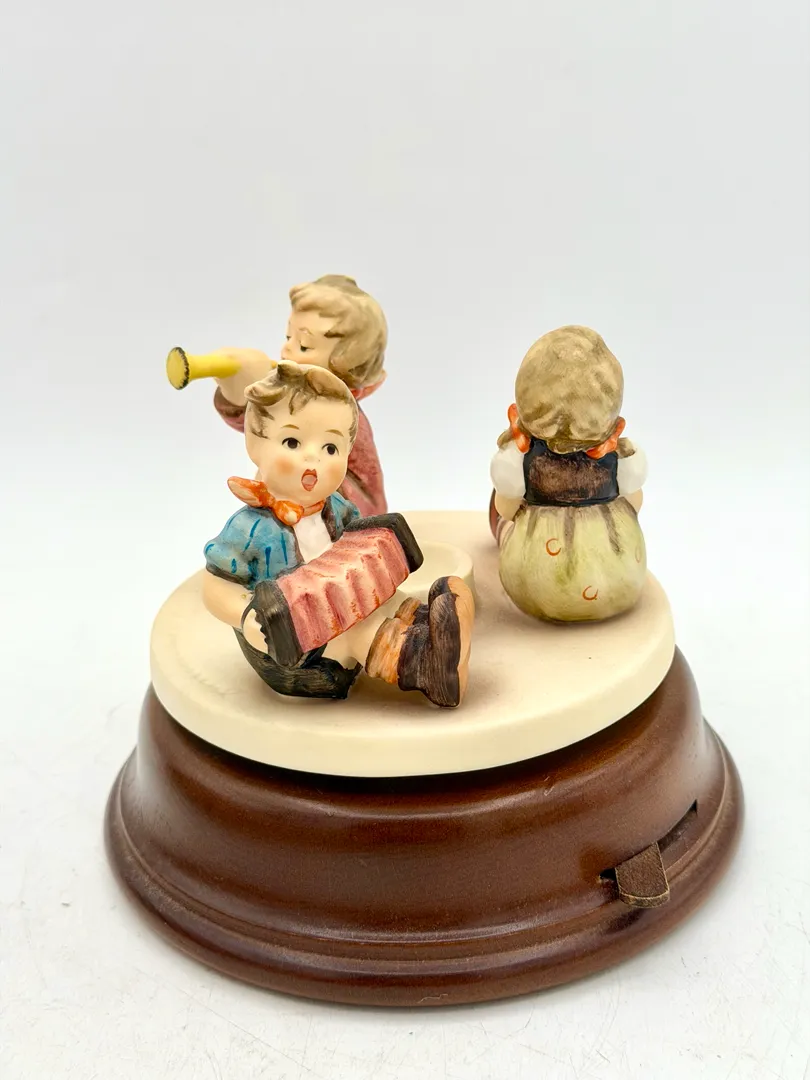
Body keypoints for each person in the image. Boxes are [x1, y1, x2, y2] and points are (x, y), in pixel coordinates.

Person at [203, 361, 473, 706]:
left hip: (344, 608)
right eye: (292, 441)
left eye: (330, 448)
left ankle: (430, 627)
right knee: (356, 628)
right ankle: (426, 666)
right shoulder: (250, 529)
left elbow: (360, 556)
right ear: (255, 444)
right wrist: (248, 619)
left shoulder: (338, 509)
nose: (313, 459)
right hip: (293, 650)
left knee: (385, 599)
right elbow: (216, 587)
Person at [490, 325, 647, 623]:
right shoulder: (622, 455)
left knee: (524, 557)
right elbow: (635, 499)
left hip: (540, 577)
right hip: (620, 572)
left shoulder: (519, 459)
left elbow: (505, 506)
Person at [210, 275, 388, 515]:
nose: (286, 349)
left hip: (323, 518)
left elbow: (366, 499)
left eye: (304, 345)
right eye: (288, 337)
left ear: (347, 361)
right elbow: (257, 426)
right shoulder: (295, 399)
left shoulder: (340, 415)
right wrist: (236, 390)